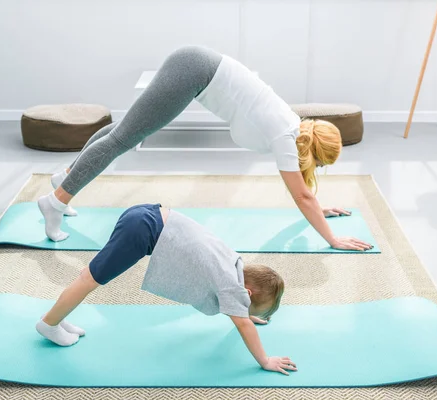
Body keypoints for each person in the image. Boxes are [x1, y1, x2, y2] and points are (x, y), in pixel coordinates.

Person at [38, 45, 372, 252]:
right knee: (124, 139)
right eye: (321, 163)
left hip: (196, 66)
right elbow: (303, 196)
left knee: (124, 130)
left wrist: (319, 208)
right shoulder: (286, 138)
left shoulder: (292, 123)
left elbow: (304, 193)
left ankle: (64, 179)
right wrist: (333, 239)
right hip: (194, 71)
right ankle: (56, 201)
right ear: (315, 152)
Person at [36, 203, 297, 376]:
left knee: (90, 276)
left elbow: (238, 307)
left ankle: (58, 318)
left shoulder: (233, 263)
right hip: (143, 232)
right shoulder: (231, 285)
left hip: (147, 213)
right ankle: (49, 323)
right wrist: (265, 360)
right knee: (89, 279)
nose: (242, 310)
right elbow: (242, 324)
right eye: (247, 305)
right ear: (247, 294)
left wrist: (246, 311)